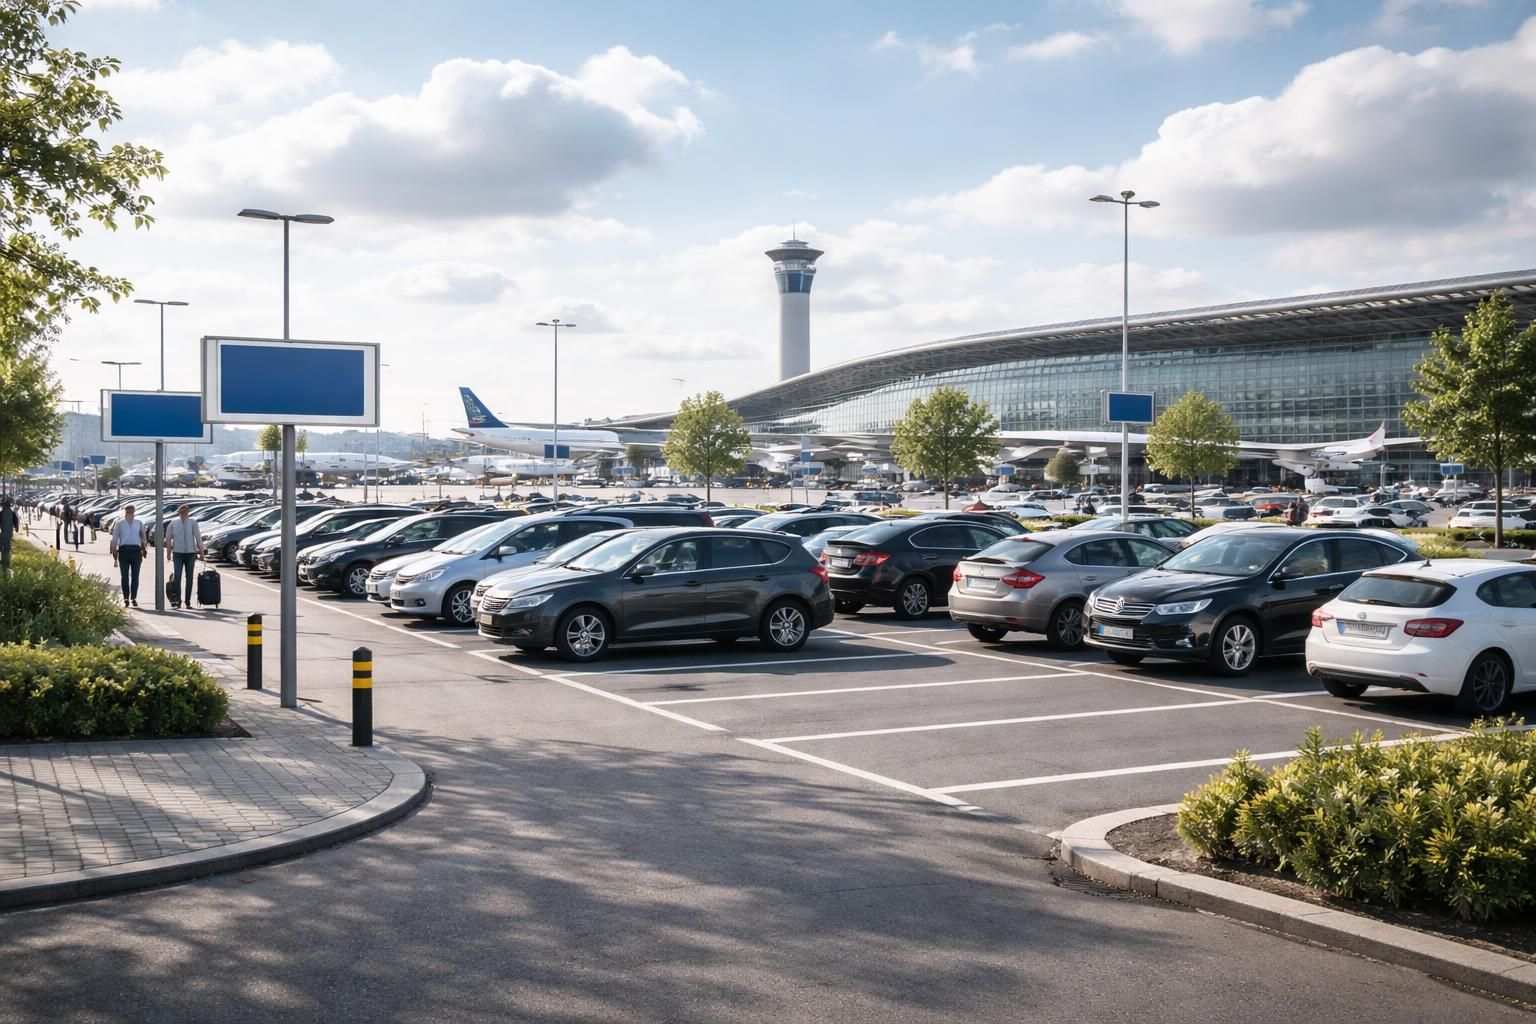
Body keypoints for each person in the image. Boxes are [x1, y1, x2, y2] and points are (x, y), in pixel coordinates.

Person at [164, 503, 203, 609]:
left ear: (188, 513)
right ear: (179, 513)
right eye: (181, 512)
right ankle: (178, 600)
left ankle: (188, 601)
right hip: (177, 553)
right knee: (177, 577)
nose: (183, 514)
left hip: (190, 553)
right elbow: (168, 538)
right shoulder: (174, 523)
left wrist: (201, 552)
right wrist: (168, 552)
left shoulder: (192, 522)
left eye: (185, 512)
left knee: (189, 577)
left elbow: (198, 537)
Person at [109, 504, 147, 607]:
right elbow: (115, 537)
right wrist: (113, 549)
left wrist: (144, 547)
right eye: (128, 512)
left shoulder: (139, 523)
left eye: (131, 511)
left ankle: (133, 597)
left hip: (136, 551)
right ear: (125, 512)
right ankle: (126, 597)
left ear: (134, 512)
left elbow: (143, 537)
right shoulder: (120, 524)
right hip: (124, 551)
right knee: (124, 576)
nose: (130, 513)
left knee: (135, 576)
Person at [0, 496, 19, 578]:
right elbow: (16, 522)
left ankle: (4, 561)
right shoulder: (12, 513)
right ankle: (6, 561)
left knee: (3, 546)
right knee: (7, 546)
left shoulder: (2, 513)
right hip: (9, 533)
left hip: (4, 533)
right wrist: (17, 528)